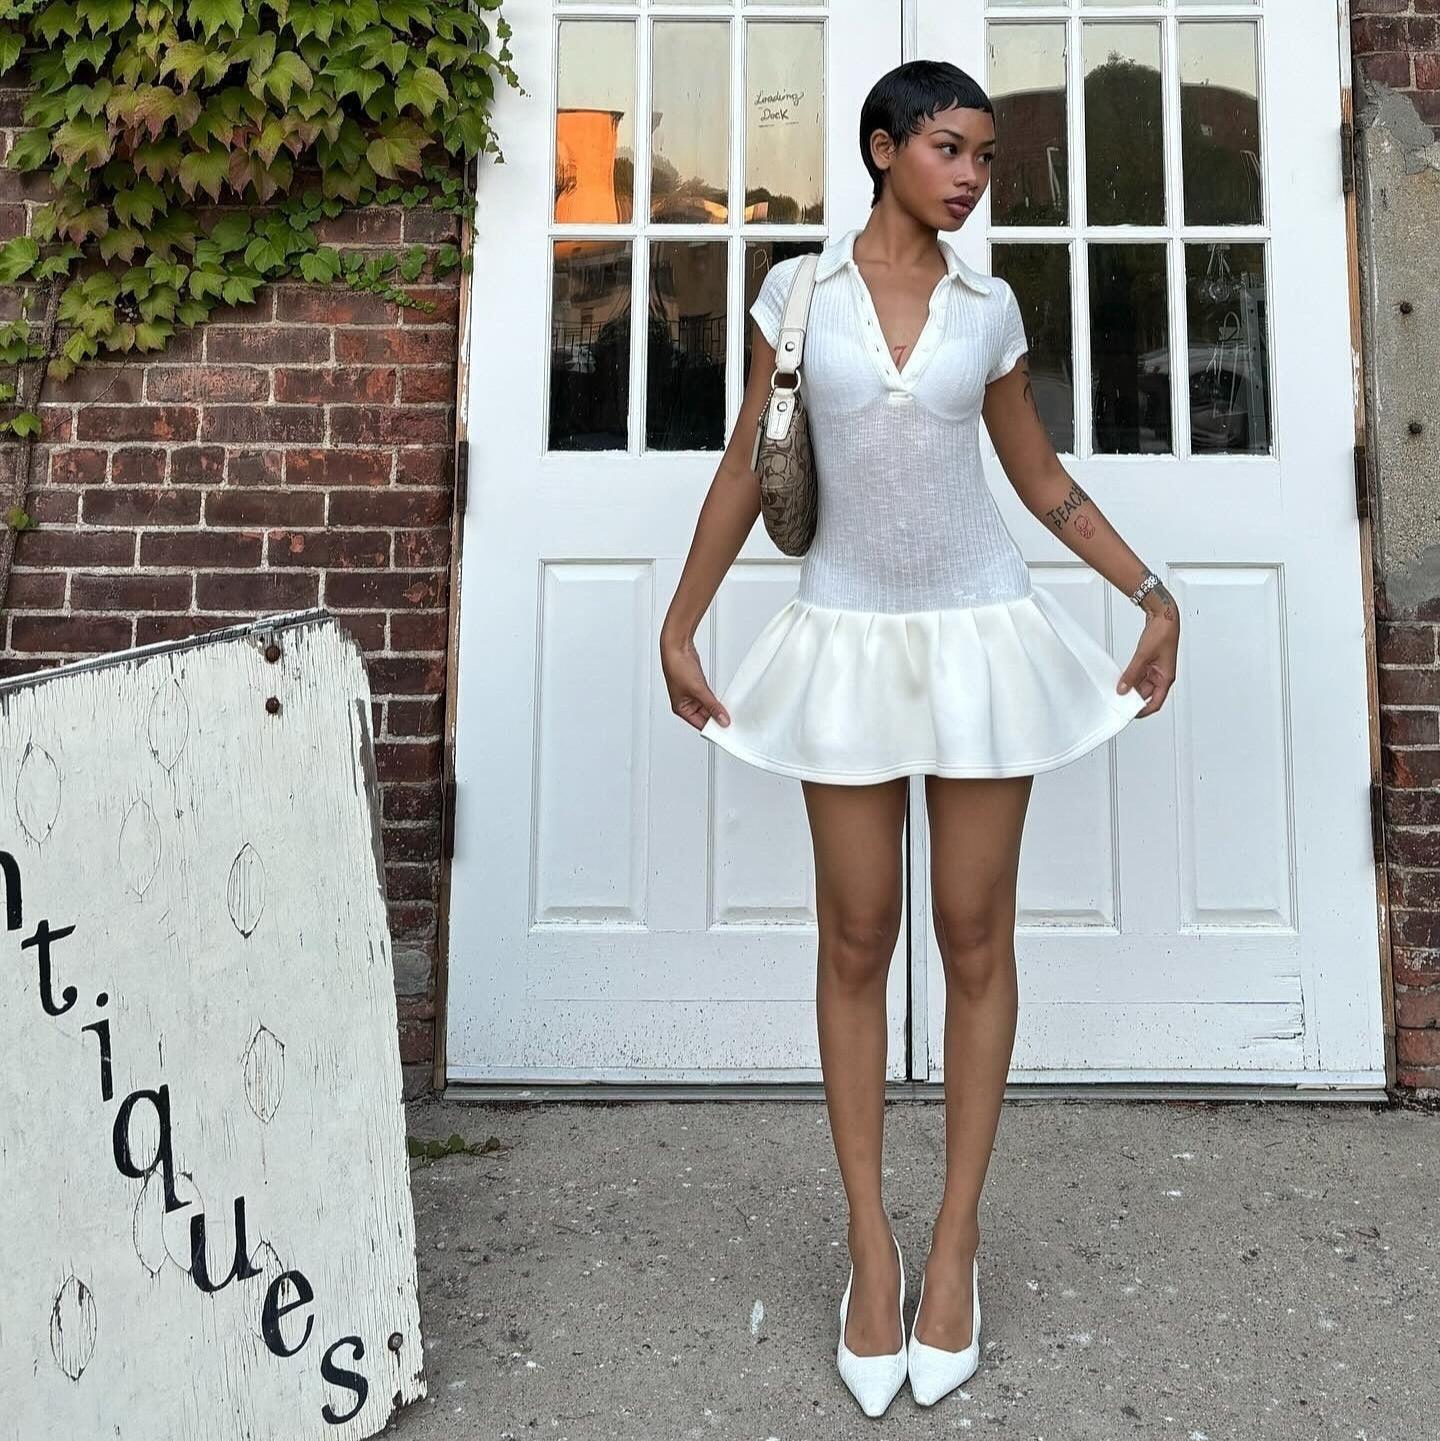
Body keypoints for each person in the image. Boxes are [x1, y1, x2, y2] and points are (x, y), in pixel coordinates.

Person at [659, 59, 1180, 1418]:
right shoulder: (801, 296)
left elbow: (1040, 477)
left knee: (972, 931)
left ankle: (955, 1243)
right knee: (855, 931)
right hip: (842, 636)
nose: (970, 175)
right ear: (884, 149)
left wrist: (1150, 589)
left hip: (978, 639)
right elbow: (742, 464)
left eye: (986, 158)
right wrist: (681, 621)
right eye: (949, 148)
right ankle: (870, 1247)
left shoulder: (989, 307)